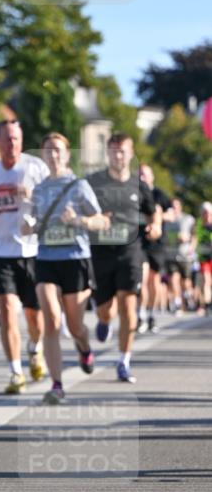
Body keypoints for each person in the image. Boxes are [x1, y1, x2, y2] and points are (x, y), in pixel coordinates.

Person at [26, 133, 109, 403]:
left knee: (75, 327)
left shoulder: (78, 185)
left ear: (67, 154)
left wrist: (79, 221)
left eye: (58, 150)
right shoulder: (37, 190)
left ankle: (84, 346)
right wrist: (28, 226)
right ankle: (57, 384)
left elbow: (102, 221)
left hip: (75, 259)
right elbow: (30, 223)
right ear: (43, 155)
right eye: (48, 150)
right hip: (46, 259)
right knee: (51, 319)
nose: (53, 155)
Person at [0, 119, 47, 394]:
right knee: (7, 311)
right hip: (0, 252)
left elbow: (54, 204)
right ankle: (15, 371)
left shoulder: (36, 168)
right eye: (7, 139)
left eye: (16, 138)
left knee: (36, 319)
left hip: (32, 250)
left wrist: (33, 196)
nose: (12, 143)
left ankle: (34, 349)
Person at [88, 133, 156, 384]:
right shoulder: (94, 182)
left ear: (131, 153)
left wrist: (156, 225)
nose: (118, 155)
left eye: (122, 151)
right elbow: (83, 211)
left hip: (130, 250)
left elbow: (152, 212)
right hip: (101, 252)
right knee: (106, 309)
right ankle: (103, 320)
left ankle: (124, 361)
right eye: (113, 151)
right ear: (107, 153)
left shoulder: (140, 185)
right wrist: (94, 220)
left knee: (128, 305)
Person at [138, 163, 169, 332]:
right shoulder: (134, 193)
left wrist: (157, 217)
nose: (142, 177)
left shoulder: (159, 194)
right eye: (139, 174)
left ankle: (151, 313)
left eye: (145, 174)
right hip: (138, 243)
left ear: (152, 177)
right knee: (141, 278)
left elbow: (172, 213)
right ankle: (141, 314)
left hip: (156, 244)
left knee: (153, 280)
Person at [162, 198, 196, 314]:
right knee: (173, 279)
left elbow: (195, 236)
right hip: (170, 255)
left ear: (180, 207)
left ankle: (188, 296)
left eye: (176, 206)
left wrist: (190, 245)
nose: (174, 208)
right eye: (172, 206)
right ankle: (177, 304)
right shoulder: (165, 221)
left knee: (186, 282)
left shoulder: (188, 219)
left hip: (185, 254)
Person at [194, 201, 212, 314]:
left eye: (209, 213)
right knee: (206, 280)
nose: (207, 215)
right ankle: (207, 304)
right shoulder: (199, 223)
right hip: (204, 256)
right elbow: (195, 237)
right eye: (205, 212)